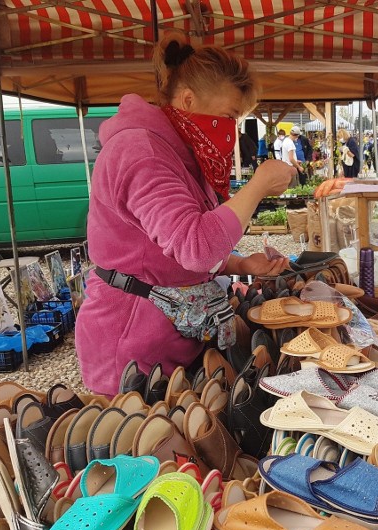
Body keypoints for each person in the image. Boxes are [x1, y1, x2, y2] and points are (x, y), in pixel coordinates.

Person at [76, 32, 295, 396]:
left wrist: (240, 265)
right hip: (130, 347)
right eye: (229, 116)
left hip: (171, 337)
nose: (231, 130)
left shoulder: (182, 153)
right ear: (188, 99)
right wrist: (257, 186)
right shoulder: (141, 151)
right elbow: (196, 246)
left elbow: (171, 249)